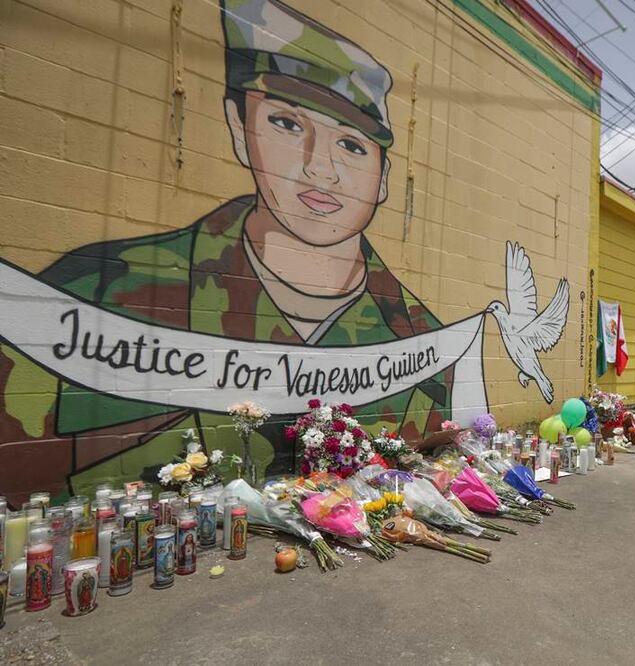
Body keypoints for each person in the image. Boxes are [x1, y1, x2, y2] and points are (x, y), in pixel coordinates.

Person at [0, 0, 452, 500]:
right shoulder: (92, 295)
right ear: (239, 129)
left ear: (384, 177)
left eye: (352, 145)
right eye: (287, 124)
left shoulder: (424, 344)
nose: (320, 169)